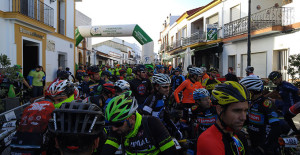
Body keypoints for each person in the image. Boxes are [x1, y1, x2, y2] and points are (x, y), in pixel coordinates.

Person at [101, 93, 177, 154]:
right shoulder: (117, 130)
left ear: (132, 118)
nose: (114, 128)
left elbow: (171, 152)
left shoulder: (152, 124)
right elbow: (107, 151)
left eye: (118, 124)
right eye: (111, 124)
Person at [197, 81, 250, 155]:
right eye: (237, 111)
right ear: (219, 110)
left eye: (245, 111)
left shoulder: (239, 135)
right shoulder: (209, 141)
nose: (244, 117)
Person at [240, 76, 281, 154]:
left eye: (245, 91)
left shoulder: (266, 103)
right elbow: (248, 120)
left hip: (265, 148)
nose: (243, 94)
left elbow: (276, 128)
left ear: (252, 91)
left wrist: (263, 148)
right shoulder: (251, 103)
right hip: (254, 143)